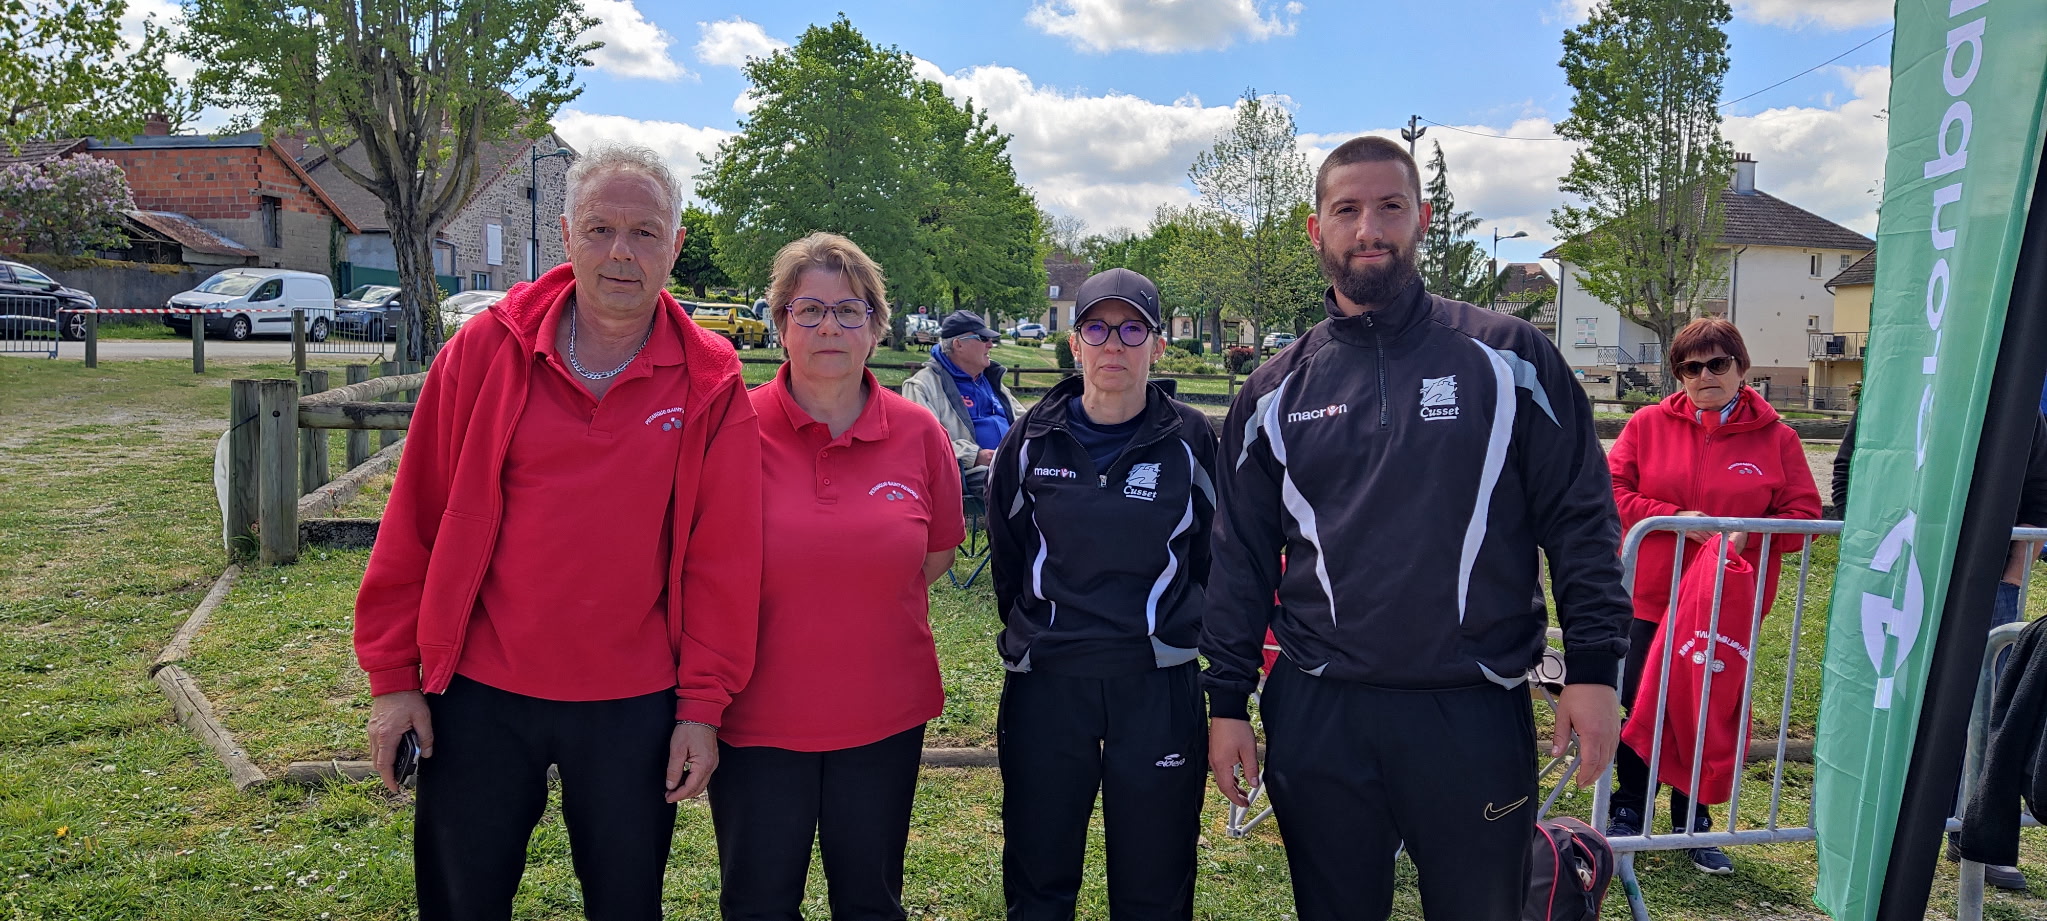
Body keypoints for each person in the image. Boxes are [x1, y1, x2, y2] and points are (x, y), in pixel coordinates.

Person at [1200, 135, 1632, 921]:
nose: (1369, 226)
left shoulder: (1510, 356)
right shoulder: (1270, 391)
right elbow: (1237, 556)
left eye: (1389, 207)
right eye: (1347, 209)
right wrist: (1226, 699)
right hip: (1320, 712)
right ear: (1316, 230)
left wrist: (1595, 670)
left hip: (1471, 708)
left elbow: (1579, 521)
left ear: (1422, 219)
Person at [353, 145, 762, 921]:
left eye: (645, 233)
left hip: (632, 698)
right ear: (567, 234)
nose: (620, 252)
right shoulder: (484, 349)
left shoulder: (710, 378)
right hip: (479, 687)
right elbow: (417, 517)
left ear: (674, 247)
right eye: (602, 228)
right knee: (461, 901)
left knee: (625, 902)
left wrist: (701, 706)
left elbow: (724, 559)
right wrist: (394, 679)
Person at [711, 232, 965, 920]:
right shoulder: (729, 426)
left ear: (877, 327)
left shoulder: (919, 434)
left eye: (850, 311)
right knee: (758, 902)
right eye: (810, 310)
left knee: (870, 900)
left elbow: (934, 553)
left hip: (882, 714)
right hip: (755, 717)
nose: (830, 326)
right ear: (780, 323)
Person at [986, 268, 1219, 920]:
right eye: (1096, 327)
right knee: (1039, 878)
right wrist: (1039, 633)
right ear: (1074, 342)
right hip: (1048, 685)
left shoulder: (1192, 441)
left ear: (1155, 344)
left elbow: (1212, 558)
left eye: (1131, 328)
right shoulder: (1030, 439)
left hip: (1156, 686)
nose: (1112, 343)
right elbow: (1010, 562)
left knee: (1154, 883)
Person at [1603, 318, 1822, 875]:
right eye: (1691, 367)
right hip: (1651, 601)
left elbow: (1804, 519)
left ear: (1742, 368)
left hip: (1726, 606)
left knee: (1708, 712)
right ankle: (1629, 809)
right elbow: (1611, 493)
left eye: (1717, 364)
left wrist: (1748, 529)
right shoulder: (1647, 425)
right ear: (1679, 375)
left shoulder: (1779, 438)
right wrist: (1674, 518)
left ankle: (1692, 820)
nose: (1705, 376)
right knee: (1640, 703)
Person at [1835, 396, 2047, 890]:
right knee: (1889, 694)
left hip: (1987, 587)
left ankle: (1966, 832)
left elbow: (2039, 501)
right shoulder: (1899, 389)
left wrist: (2013, 580)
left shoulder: (2020, 410)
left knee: (1975, 710)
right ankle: (1872, 827)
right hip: (1896, 578)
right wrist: (1869, 555)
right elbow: (1848, 471)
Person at [900, 309, 1024, 495]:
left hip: (1013, 463)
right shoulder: (921, 385)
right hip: (971, 474)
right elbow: (921, 442)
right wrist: (974, 457)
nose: (990, 344)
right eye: (983, 339)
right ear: (958, 344)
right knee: (1023, 485)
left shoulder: (989, 379)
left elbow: (1025, 419)